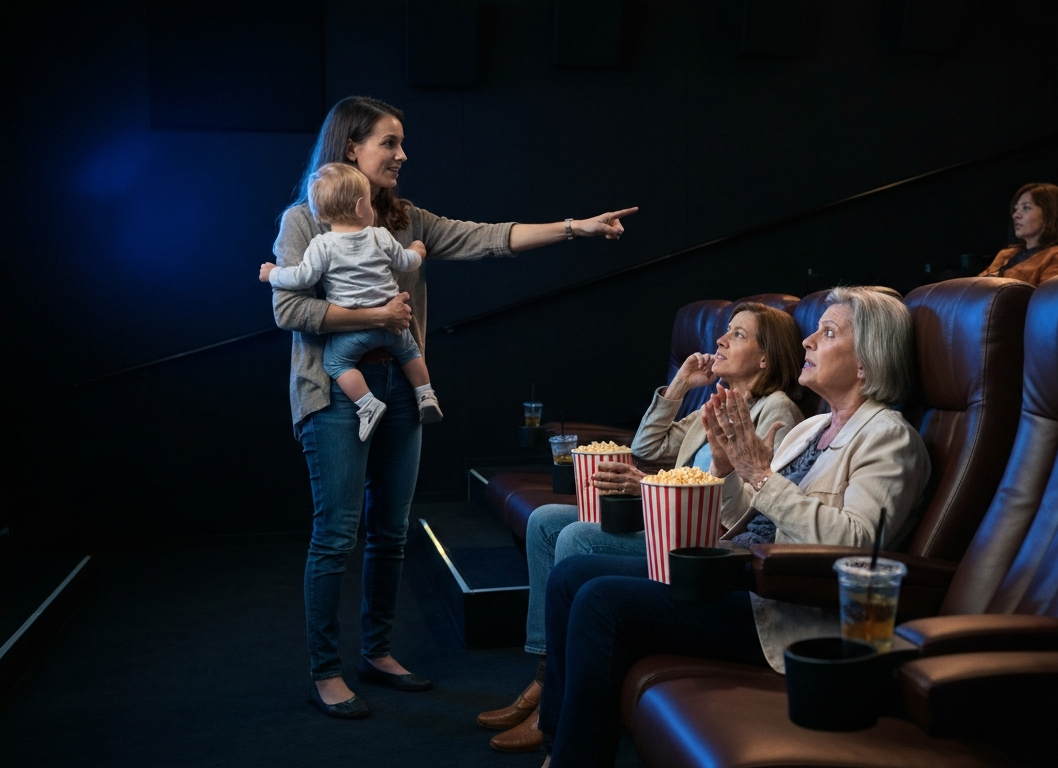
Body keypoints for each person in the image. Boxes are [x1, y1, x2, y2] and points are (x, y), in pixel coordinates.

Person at [271, 95, 637, 719]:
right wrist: (377, 315)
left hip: (401, 390)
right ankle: (326, 671)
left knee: (390, 532)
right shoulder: (303, 220)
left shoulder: (406, 220)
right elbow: (289, 310)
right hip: (335, 389)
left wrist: (577, 227)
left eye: (401, 143)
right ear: (351, 149)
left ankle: (377, 653)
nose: (402, 154)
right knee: (336, 535)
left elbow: (491, 239)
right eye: (390, 142)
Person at [535, 287, 930, 767]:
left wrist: (760, 475)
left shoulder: (890, 437)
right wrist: (726, 470)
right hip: (729, 569)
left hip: (781, 603)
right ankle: (556, 744)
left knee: (600, 602)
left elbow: (858, 545)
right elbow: (749, 514)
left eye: (828, 333)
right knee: (569, 576)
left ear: (867, 361)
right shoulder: (811, 428)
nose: (808, 341)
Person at [478, 302, 805, 753]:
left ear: (766, 357)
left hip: (701, 541)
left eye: (737, 335)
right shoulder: (720, 401)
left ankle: (560, 694)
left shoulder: (778, 414)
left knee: (574, 537)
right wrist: (680, 386)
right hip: (671, 517)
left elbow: (749, 514)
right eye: (724, 332)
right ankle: (546, 672)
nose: (720, 342)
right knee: (546, 521)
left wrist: (647, 485)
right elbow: (649, 446)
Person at [261, 163, 439, 442]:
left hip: (353, 333)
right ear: (360, 207)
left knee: (335, 363)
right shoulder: (380, 236)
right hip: (394, 325)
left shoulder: (322, 245)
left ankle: (367, 403)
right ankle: (426, 394)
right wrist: (417, 249)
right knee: (410, 353)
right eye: (369, 201)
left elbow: (300, 277)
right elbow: (407, 263)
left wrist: (274, 274)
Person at [977, 182, 1058, 286]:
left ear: (1049, 214)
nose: (1015, 215)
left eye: (1026, 208)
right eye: (1016, 209)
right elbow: (976, 285)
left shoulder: (1057, 254)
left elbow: (1048, 298)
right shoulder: (1006, 254)